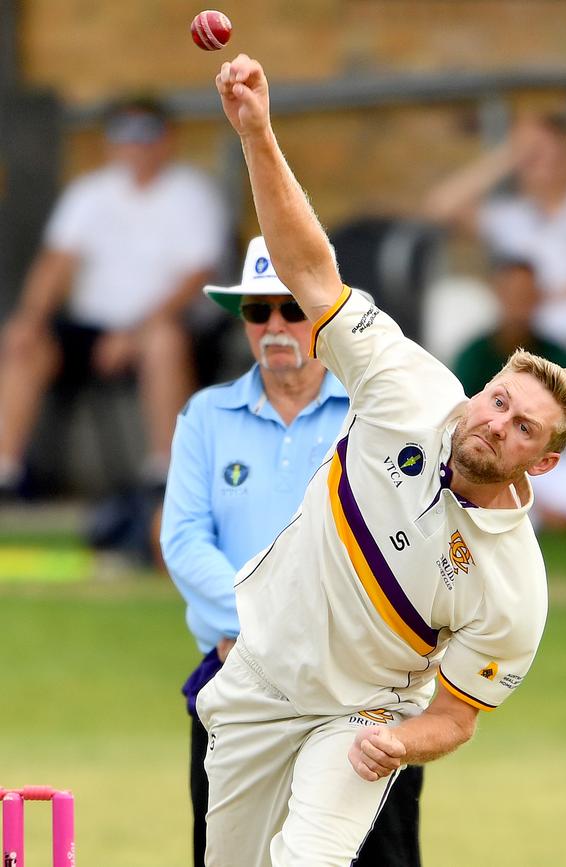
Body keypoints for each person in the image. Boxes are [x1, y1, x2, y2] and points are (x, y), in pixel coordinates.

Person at [194, 54, 566, 867]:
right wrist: (257, 132)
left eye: (523, 430)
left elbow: (457, 715)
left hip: (363, 714)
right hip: (263, 675)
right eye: (499, 401)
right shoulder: (406, 381)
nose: (496, 424)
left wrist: (403, 742)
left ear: (541, 465)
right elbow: (310, 271)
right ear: (483, 387)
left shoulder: (513, 585)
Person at [161, 235, 424, 867]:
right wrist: (267, 631)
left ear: (323, 315)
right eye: (258, 311)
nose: (275, 326)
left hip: (361, 686)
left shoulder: (375, 415)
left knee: (378, 858)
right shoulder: (206, 416)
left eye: (291, 308)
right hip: (236, 676)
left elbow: (405, 544)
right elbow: (184, 539)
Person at [0, 96, 229, 497]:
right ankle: (6, 471)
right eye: (123, 135)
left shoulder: (192, 193)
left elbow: (197, 276)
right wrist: (31, 317)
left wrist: (136, 331)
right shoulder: (89, 192)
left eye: (146, 135)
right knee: (26, 342)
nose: (135, 146)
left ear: (168, 139)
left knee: (163, 342)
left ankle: (167, 473)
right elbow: (55, 262)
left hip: (167, 327)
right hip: (92, 327)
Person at [423, 112, 566, 366]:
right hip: (515, 327)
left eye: (545, 150)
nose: (539, 159)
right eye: (531, 152)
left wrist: (529, 301)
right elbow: (438, 208)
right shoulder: (510, 216)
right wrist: (505, 158)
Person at [452, 258, 566, 528]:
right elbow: (459, 424)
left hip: (549, 467)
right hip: (497, 465)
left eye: (527, 295)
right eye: (498, 401)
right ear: (497, 294)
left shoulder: (559, 354)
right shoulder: (473, 355)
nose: (519, 303)